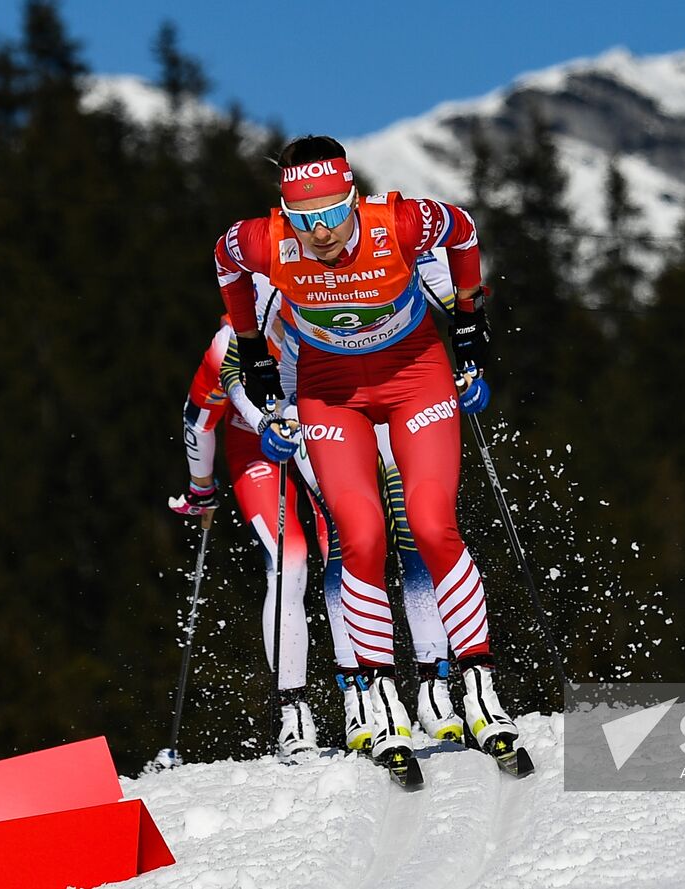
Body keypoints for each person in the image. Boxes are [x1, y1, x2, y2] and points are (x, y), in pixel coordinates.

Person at [213, 135, 516, 768]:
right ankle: (379, 702)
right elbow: (226, 262)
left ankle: (479, 686)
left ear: (353, 197)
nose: (319, 232)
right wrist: (251, 344)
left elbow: (462, 234)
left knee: (433, 527)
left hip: (415, 374)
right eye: (303, 219)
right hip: (331, 391)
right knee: (362, 537)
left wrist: (469, 318)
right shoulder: (264, 241)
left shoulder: (399, 222)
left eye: (330, 213)